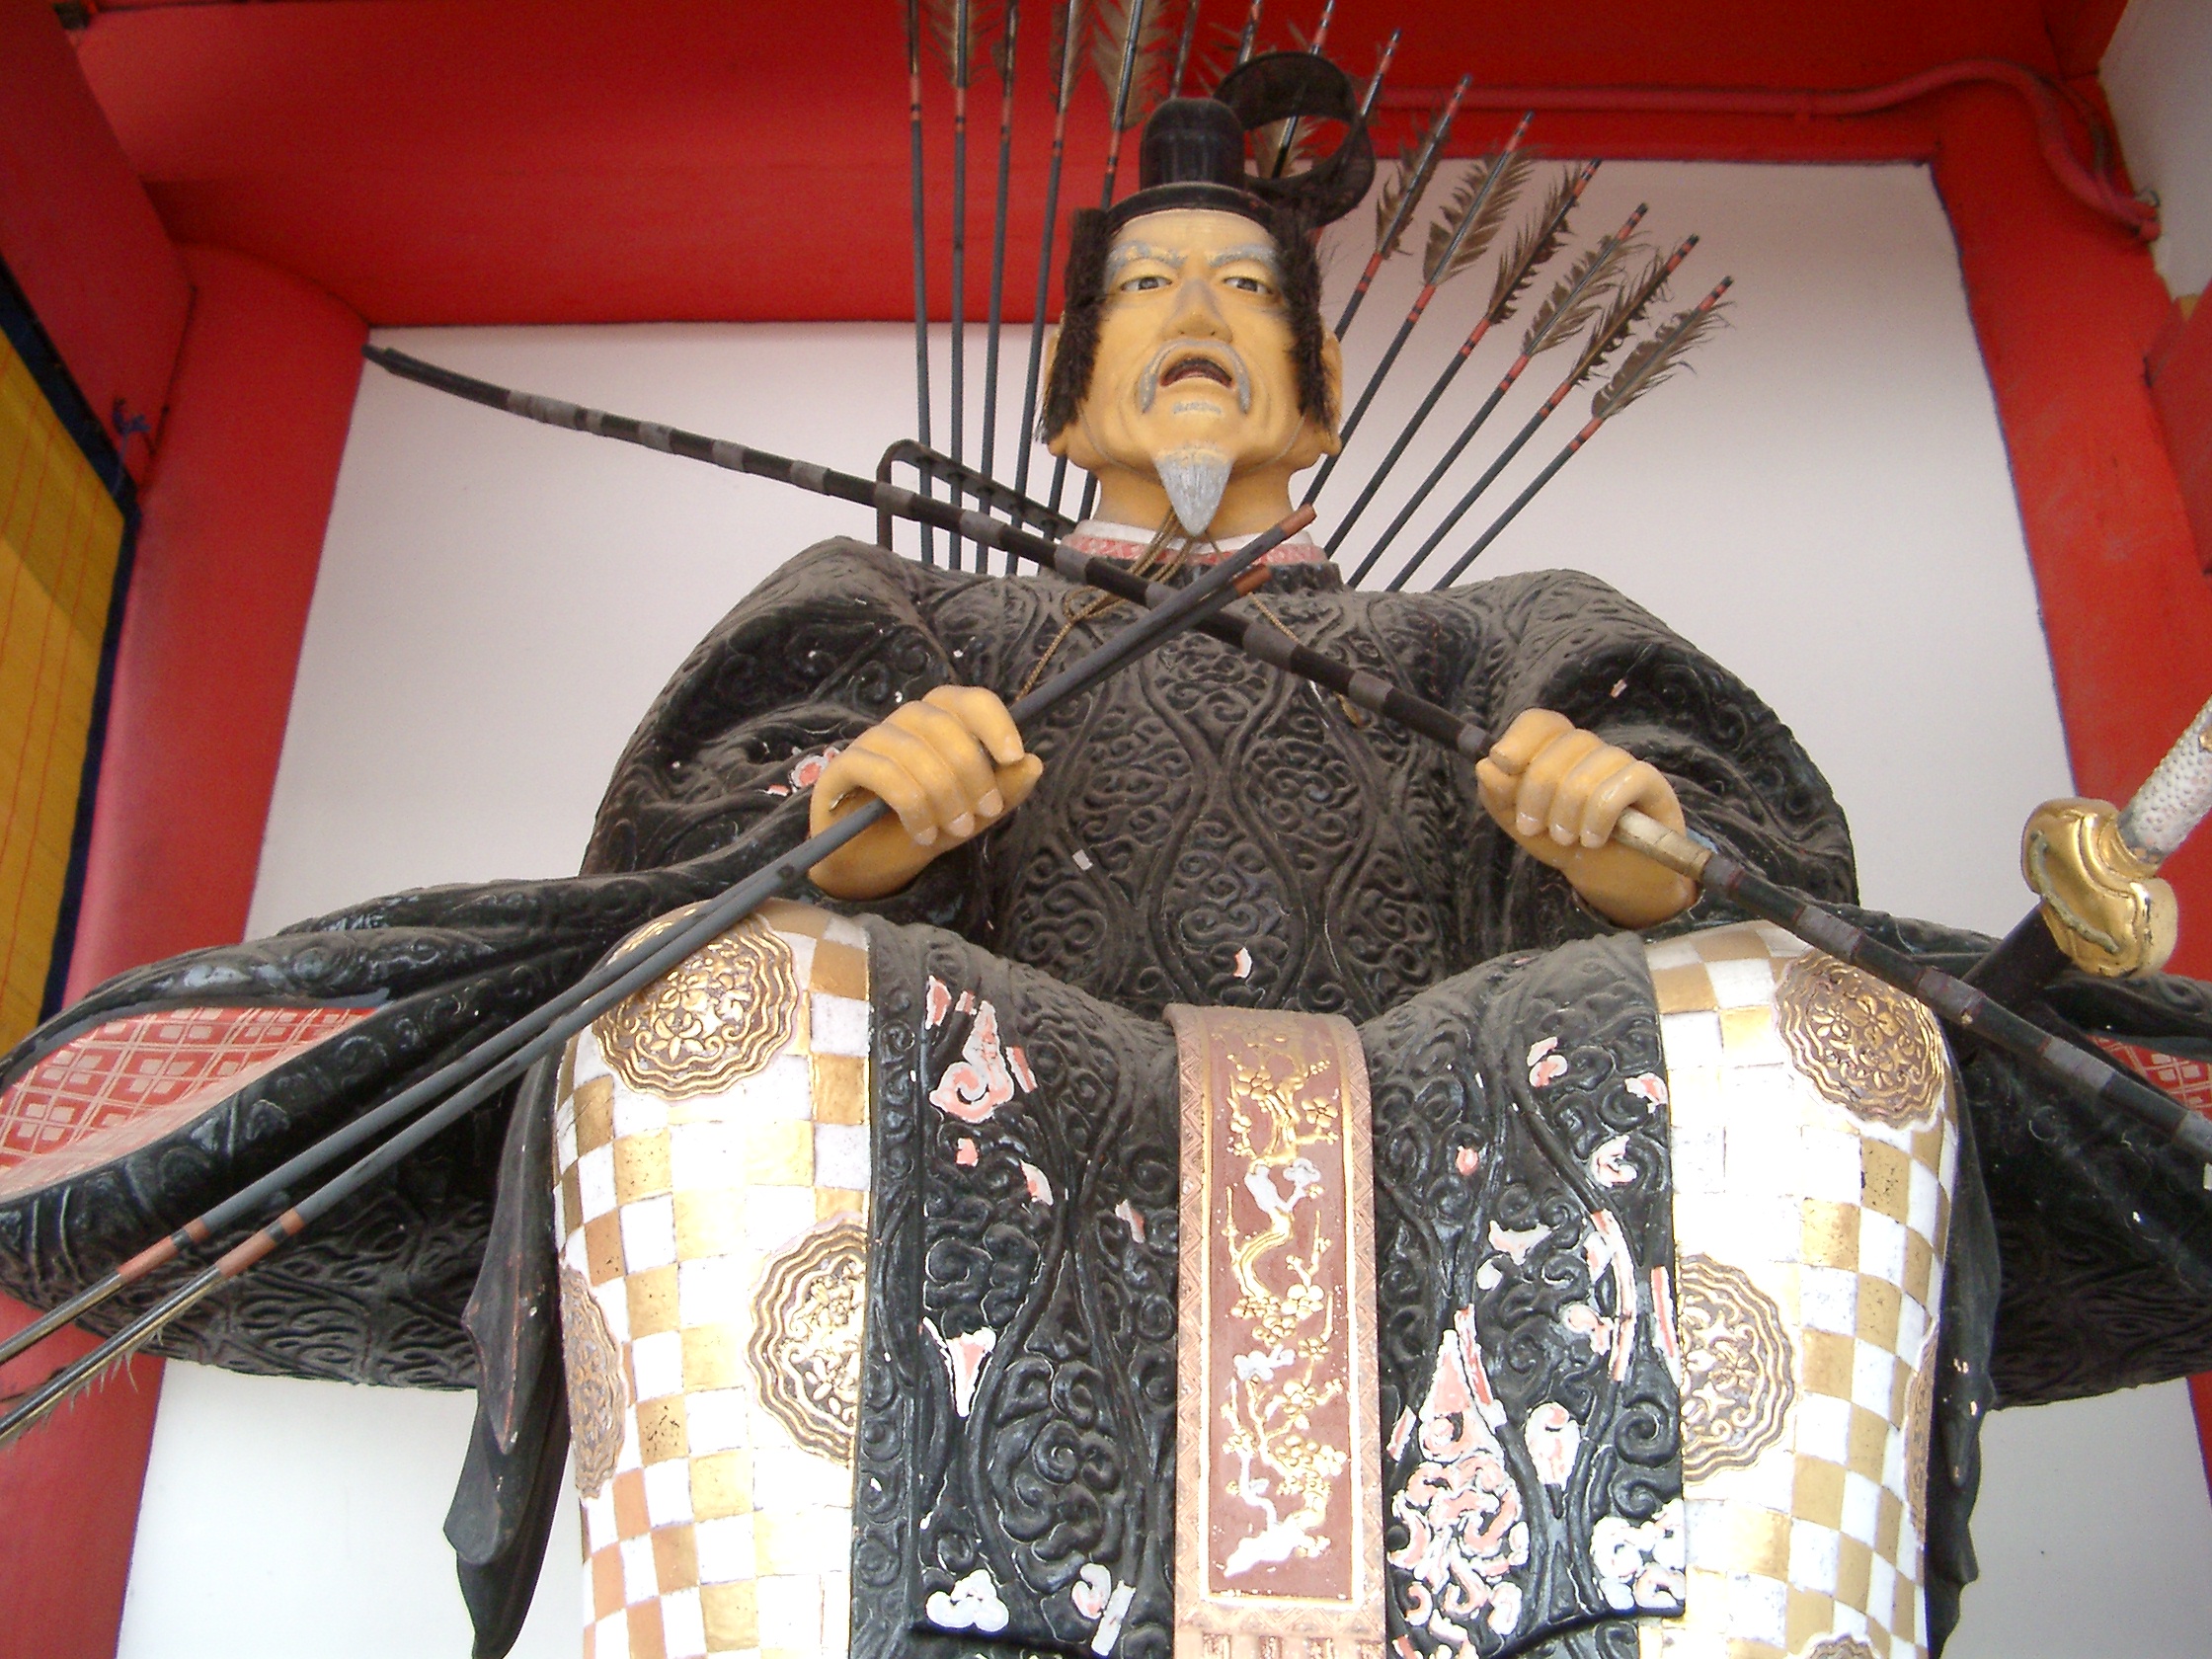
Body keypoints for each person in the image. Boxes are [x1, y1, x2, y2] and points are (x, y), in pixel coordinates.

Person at [2, 53, 2208, 1659]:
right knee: (722, 1008)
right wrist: (835, 832)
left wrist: (1636, 858)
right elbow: (685, 856)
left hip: (1476, 1167)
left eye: (1244, 290)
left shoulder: (1498, 641)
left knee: (1803, 1033)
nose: (1195, 313)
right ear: (1068, 400)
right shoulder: (911, 619)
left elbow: (1733, 847)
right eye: (1148, 287)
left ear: (1314, 397)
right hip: (1004, 1162)